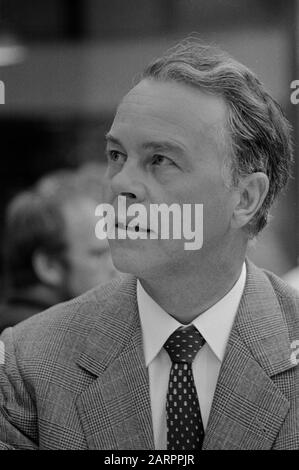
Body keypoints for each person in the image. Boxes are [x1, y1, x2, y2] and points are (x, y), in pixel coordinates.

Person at [0, 39, 298, 450]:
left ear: (245, 198)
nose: (119, 184)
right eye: (116, 155)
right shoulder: (31, 364)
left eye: (160, 159)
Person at [0, 165, 117, 333]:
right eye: (98, 255)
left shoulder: (16, 332)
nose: (114, 267)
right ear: (49, 266)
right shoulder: (43, 344)